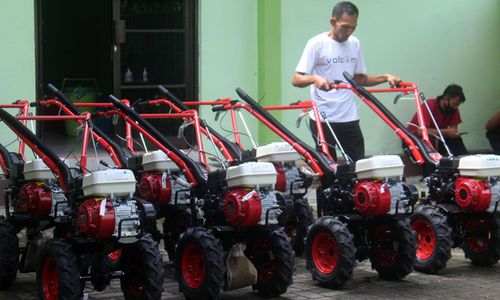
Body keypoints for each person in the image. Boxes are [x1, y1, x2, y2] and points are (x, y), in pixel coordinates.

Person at [291, 1, 400, 162]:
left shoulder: (354, 43)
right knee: (328, 168)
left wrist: (385, 77)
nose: (349, 32)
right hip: (323, 117)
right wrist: (315, 78)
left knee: (359, 164)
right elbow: (296, 79)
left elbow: (359, 79)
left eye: (353, 27)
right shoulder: (317, 44)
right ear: (333, 22)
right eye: (345, 26)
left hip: (348, 116)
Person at [407, 84, 468, 156]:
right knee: (430, 138)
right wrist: (445, 132)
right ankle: (434, 165)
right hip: (415, 138)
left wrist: (454, 133)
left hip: (438, 137)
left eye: (457, 105)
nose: (456, 107)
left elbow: (452, 130)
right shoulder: (429, 105)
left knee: (456, 140)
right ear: (446, 99)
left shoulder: (453, 109)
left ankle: (463, 161)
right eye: (454, 104)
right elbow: (421, 131)